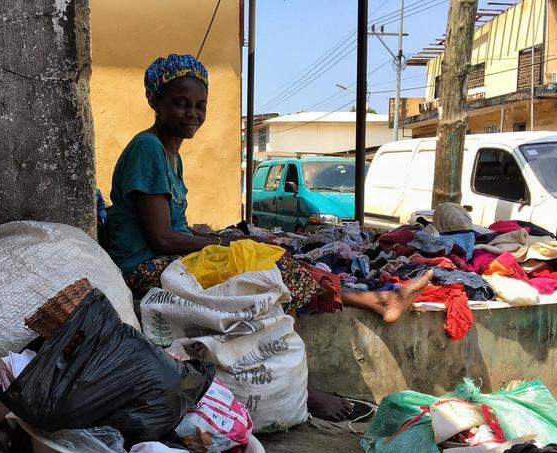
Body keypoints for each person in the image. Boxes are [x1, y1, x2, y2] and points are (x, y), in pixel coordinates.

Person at [105, 54, 432, 421]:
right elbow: (162, 238)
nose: (192, 113)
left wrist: (219, 239)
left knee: (265, 260)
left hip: (162, 257)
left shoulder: (170, 155)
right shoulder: (148, 149)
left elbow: (172, 228)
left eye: (200, 105)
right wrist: (225, 245)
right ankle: (363, 314)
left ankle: (374, 302)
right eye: (180, 103)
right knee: (265, 273)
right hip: (142, 267)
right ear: (155, 102)